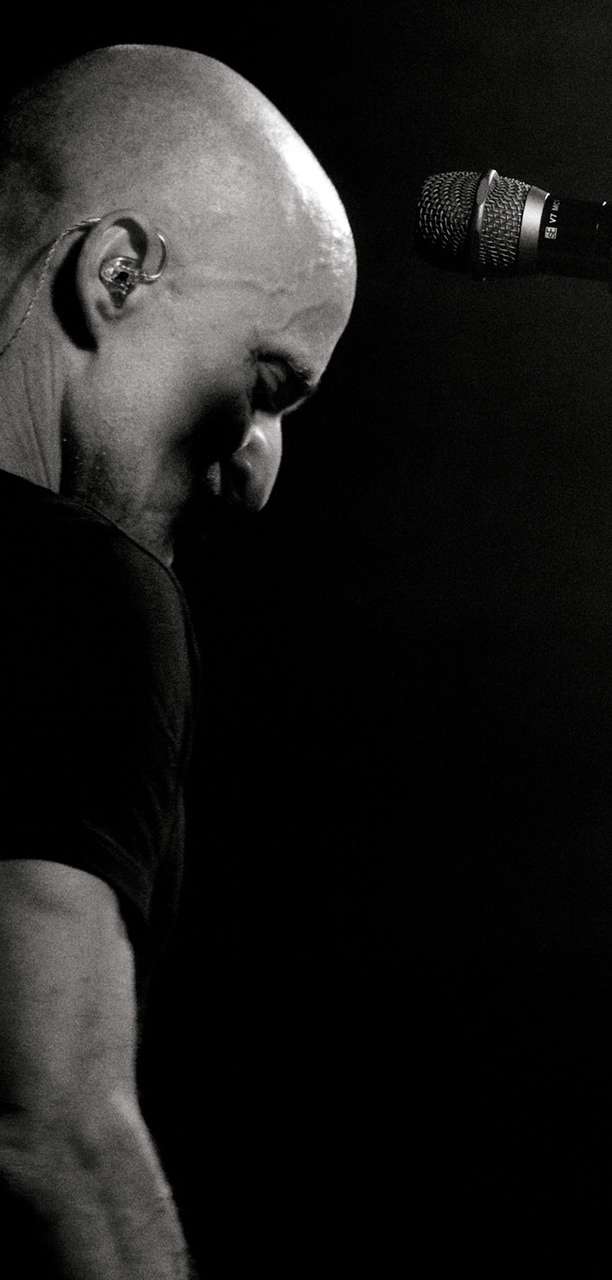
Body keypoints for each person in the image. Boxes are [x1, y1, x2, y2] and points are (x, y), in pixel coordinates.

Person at [0, 45, 355, 1276]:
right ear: (116, 274)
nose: (257, 467)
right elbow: (55, 1131)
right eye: (266, 382)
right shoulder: (78, 588)